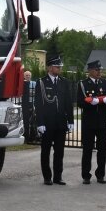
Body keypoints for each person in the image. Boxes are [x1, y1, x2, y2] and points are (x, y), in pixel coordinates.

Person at [34, 55, 74, 185]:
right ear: (50, 68)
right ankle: (47, 176)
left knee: (59, 151)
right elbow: (38, 104)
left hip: (61, 122)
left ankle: (58, 176)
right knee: (45, 151)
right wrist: (40, 123)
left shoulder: (64, 82)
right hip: (47, 123)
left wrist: (71, 120)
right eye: (57, 67)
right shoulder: (41, 82)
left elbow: (68, 103)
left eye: (60, 67)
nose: (59, 69)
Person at [78, 60, 106, 184]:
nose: (99, 72)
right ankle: (86, 175)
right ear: (90, 71)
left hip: (102, 121)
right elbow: (80, 102)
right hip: (89, 121)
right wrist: (90, 102)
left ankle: (100, 175)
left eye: (100, 70)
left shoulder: (105, 83)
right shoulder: (83, 84)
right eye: (97, 70)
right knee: (87, 149)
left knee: (102, 150)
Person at [21, 70, 36, 144]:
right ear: (24, 76)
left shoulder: (34, 83)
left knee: (32, 120)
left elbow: (36, 92)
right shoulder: (22, 83)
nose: (28, 76)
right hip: (24, 103)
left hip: (32, 103)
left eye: (29, 75)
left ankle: (33, 136)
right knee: (24, 120)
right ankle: (25, 135)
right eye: (26, 75)